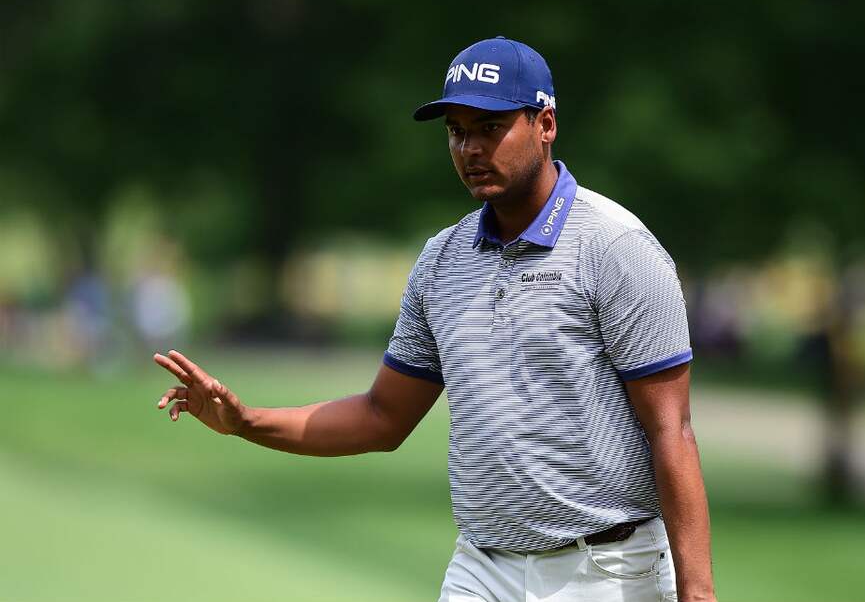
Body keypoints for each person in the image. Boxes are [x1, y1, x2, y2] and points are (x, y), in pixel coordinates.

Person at [154, 36, 716, 602]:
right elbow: (382, 416)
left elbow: (672, 429)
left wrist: (697, 592)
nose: (470, 148)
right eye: (457, 131)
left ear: (545, 123)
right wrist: (246, 420)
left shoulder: (616, 248)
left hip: (604, 570)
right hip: (481, 569)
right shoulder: (441, 261)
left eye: (490, 127)